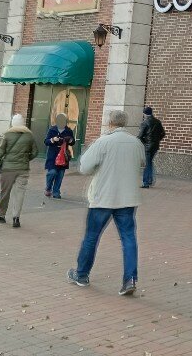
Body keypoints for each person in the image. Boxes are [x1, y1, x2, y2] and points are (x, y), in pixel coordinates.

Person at [67, 109, 145, 296]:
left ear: (110, 123)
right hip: (127, 198)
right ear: (124, 124)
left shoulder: (103, 142)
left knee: (92, 237)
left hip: (103, 197)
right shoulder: (136, 143)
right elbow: (142, 163)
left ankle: (82, 274)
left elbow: (84, 167)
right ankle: (130, 279)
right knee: (128, 238)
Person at [0, 113, 38, 228]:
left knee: (5, 192)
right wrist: (26, 159)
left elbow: (0, 153)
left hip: (8, 169)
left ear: (12, 123)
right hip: (23, 169)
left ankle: (1, 215)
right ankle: (16, 218)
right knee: (20, 193)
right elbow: (35, 152)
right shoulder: (29, 136)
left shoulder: (8, 135)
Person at [44, 113, 76, 199]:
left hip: (63, 155)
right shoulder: (52, 129)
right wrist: (53, 139)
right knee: (52, 172)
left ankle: (56, 192)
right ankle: (48, 187)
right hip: (53, 155)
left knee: (60, 174)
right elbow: (46, 141)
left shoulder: (68, 130)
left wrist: (70, 140)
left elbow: (73, 142)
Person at [137, 106, 165, 188]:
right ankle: (150, 180)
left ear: (144, 114)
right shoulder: (158, 121)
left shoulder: (144, 123)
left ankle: (146, 182)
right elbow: (163, 133)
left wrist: (145, 142)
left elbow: (140, 136)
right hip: (155, 146)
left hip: (148, 147)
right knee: (149, 162)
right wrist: (157, 140)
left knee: (148, 164)